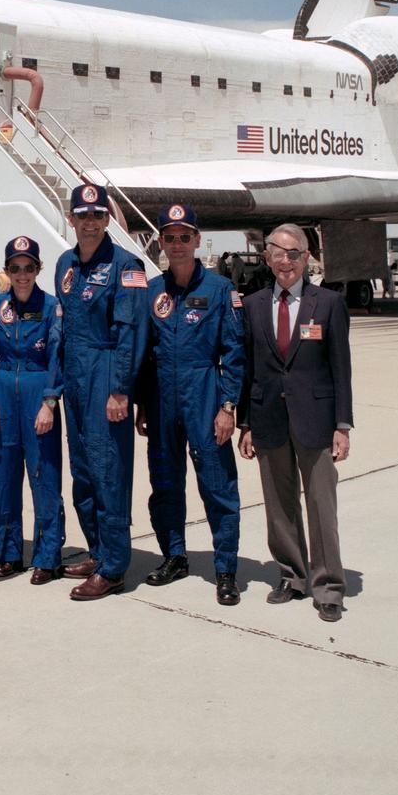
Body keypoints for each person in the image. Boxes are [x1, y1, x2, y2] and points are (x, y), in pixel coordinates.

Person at [238, 222, 353, 623]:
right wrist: (245, 424)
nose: (285, 261)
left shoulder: (329, 303)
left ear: (307, 258)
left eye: (294, 254)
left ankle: (328, 586)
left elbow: (341, 369)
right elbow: (249, 369)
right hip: (268, 417)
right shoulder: (251, 306)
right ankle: (292, 575)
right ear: (266, 256)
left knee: (321, 505)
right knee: (279, 506)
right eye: (278, 252)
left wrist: (343, 425)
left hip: (317, 420)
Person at [136, 205, 245, 605]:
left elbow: (234, 354)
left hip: (204, 394)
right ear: (161, 242)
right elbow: (146, 355)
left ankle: (226, 569)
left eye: (185, 237)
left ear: (197, 240)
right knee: (165, 484)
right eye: (170, 237)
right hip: (163, 399)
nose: (177, 244)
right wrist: (144, 405)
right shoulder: (152, 291)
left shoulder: (219, 290)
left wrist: (227, 406)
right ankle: (174, 556)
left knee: (217, 485)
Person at [54, 183, 149, 600]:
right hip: (74, 377)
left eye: (96, 215)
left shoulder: (127, 266)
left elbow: (131, 333)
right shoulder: (64, 264)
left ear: (106, 219)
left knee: (108, 471)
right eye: (82, 215)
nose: (89, 223)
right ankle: (96, 548)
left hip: (106, 372)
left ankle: (113, 567)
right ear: (71, 219)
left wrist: (120, 390)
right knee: (83, 471)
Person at [0, 236, 65, 584]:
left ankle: (47, 557)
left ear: (38, 269)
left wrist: (49, 402)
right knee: (4, 478)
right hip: (2, 392)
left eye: (28, 267)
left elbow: (56, 358)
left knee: (43, 477)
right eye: (15, 268)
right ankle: (9, 553)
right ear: (7, 270)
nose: (22, 274)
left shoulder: (51, 307)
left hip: (38, 392)